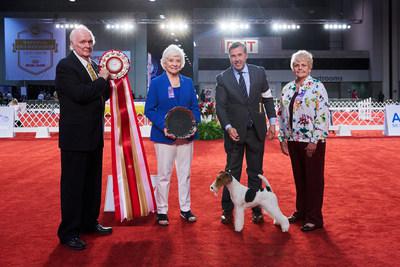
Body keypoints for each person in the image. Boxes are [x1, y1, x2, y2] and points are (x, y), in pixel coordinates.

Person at [55, 25, 112, 250]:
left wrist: (108, 82)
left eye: (89, 42)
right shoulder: (65, 66)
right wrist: (102, 80)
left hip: (94, 137)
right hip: (74, 139)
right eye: (82, 42)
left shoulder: (94, 66)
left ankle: (89, 222)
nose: (87, 45)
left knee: (92, 184)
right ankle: (68, 232)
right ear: (72, 44)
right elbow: (80, 94)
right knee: (73, 187)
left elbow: (102, 95)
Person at [215, 41, 277, 225]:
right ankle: (227, 210)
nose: (237, 59)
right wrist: (227, 127)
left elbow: (267, 99)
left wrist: (272, 121)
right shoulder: (223, 78)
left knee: (255, 172)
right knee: (231, 173)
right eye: (233, 56)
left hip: (256, 131)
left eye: (239, 55)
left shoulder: (259, 72)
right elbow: (221, 106)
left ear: (246, 55)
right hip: (234, 133)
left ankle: (257, 209)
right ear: (229, 57)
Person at [145, 44, 201, 226]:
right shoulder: (156, 83)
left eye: (178, 60)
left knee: (185, 174)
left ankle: (185, 209)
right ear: (164, 62)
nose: (174, 64)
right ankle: (162, 211)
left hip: (186, 137)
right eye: (171, 60)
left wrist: (193, 125)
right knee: (164, 175)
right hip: (164, 138)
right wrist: (164, 127)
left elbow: (194, 107)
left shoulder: (188, 82)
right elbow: (149, 109)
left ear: (182, 63)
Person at [277, 50, 329, 232]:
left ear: (310, 67)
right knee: (299, 179)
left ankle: (314, 218)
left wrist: (315, 140)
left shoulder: (317, 87)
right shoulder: (287, 88)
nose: (299, 68)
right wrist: (282, 138)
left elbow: (323, 115)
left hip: (312, 141)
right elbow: (282, 115)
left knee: (314, 180)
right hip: (293, 140)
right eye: (296, 65)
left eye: (303, 65)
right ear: (292, 67)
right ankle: (301, 211)